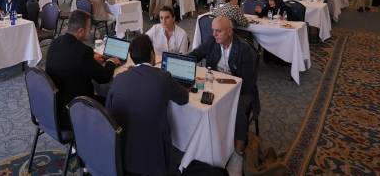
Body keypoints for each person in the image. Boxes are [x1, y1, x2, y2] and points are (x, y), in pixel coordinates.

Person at [106, 34, 189, 175]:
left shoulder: (119, 78)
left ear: (131, 56)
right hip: (154, 153)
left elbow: (108, 111)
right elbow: (183, 99)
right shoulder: (163, 77)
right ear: (152, 54)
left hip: (122, 151)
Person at [189, 16, 257, 159]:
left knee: (238, 109)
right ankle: (205, 139)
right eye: (213, 30)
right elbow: (195, 55)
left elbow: (248, 82)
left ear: (230, 31)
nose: (214, 34)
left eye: (218, 31)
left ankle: (238, 150)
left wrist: (226, 89)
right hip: (216, 86)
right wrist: (181, 61)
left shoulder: (244, 49)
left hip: (240, 90)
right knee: (195, 98)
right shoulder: (212, 42)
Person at [45, 10, 121, 128]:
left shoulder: (56, 42)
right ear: (80, 31)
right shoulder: (83, 52)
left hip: (54, 105)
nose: (90, 31)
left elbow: (70, 58)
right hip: (75, 109)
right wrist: (111, 62)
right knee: (116, 105)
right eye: (89, 29)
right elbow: (104, 77)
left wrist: (91, 59)